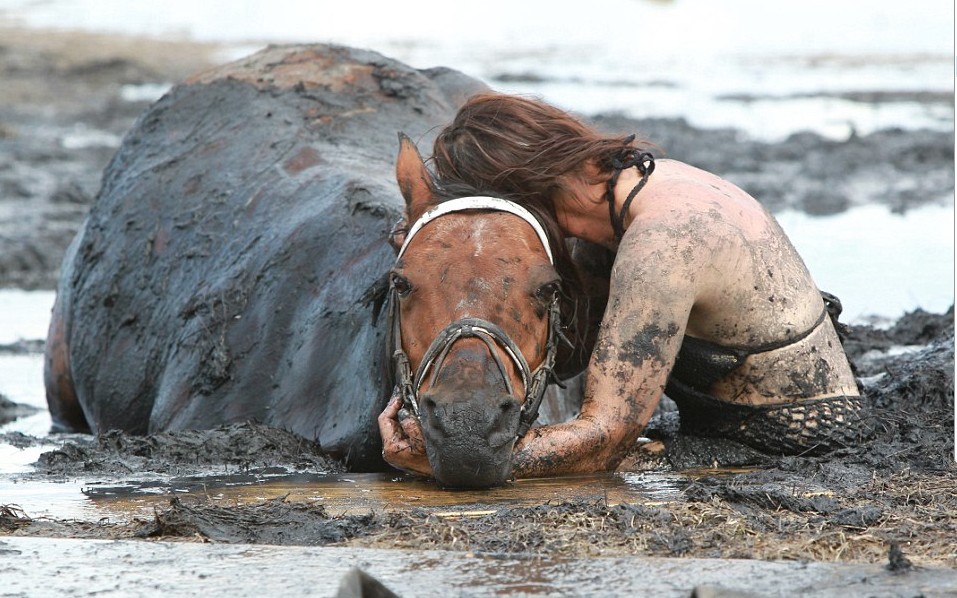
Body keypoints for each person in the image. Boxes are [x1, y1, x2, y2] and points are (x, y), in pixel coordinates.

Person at [379, 93, 865, 478]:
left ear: (520, 189)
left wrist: (452, 456)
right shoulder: (629, 201)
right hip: (733, 424)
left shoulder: (663, 243)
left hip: (789, 444)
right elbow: (569, 358)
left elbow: (606, 438)